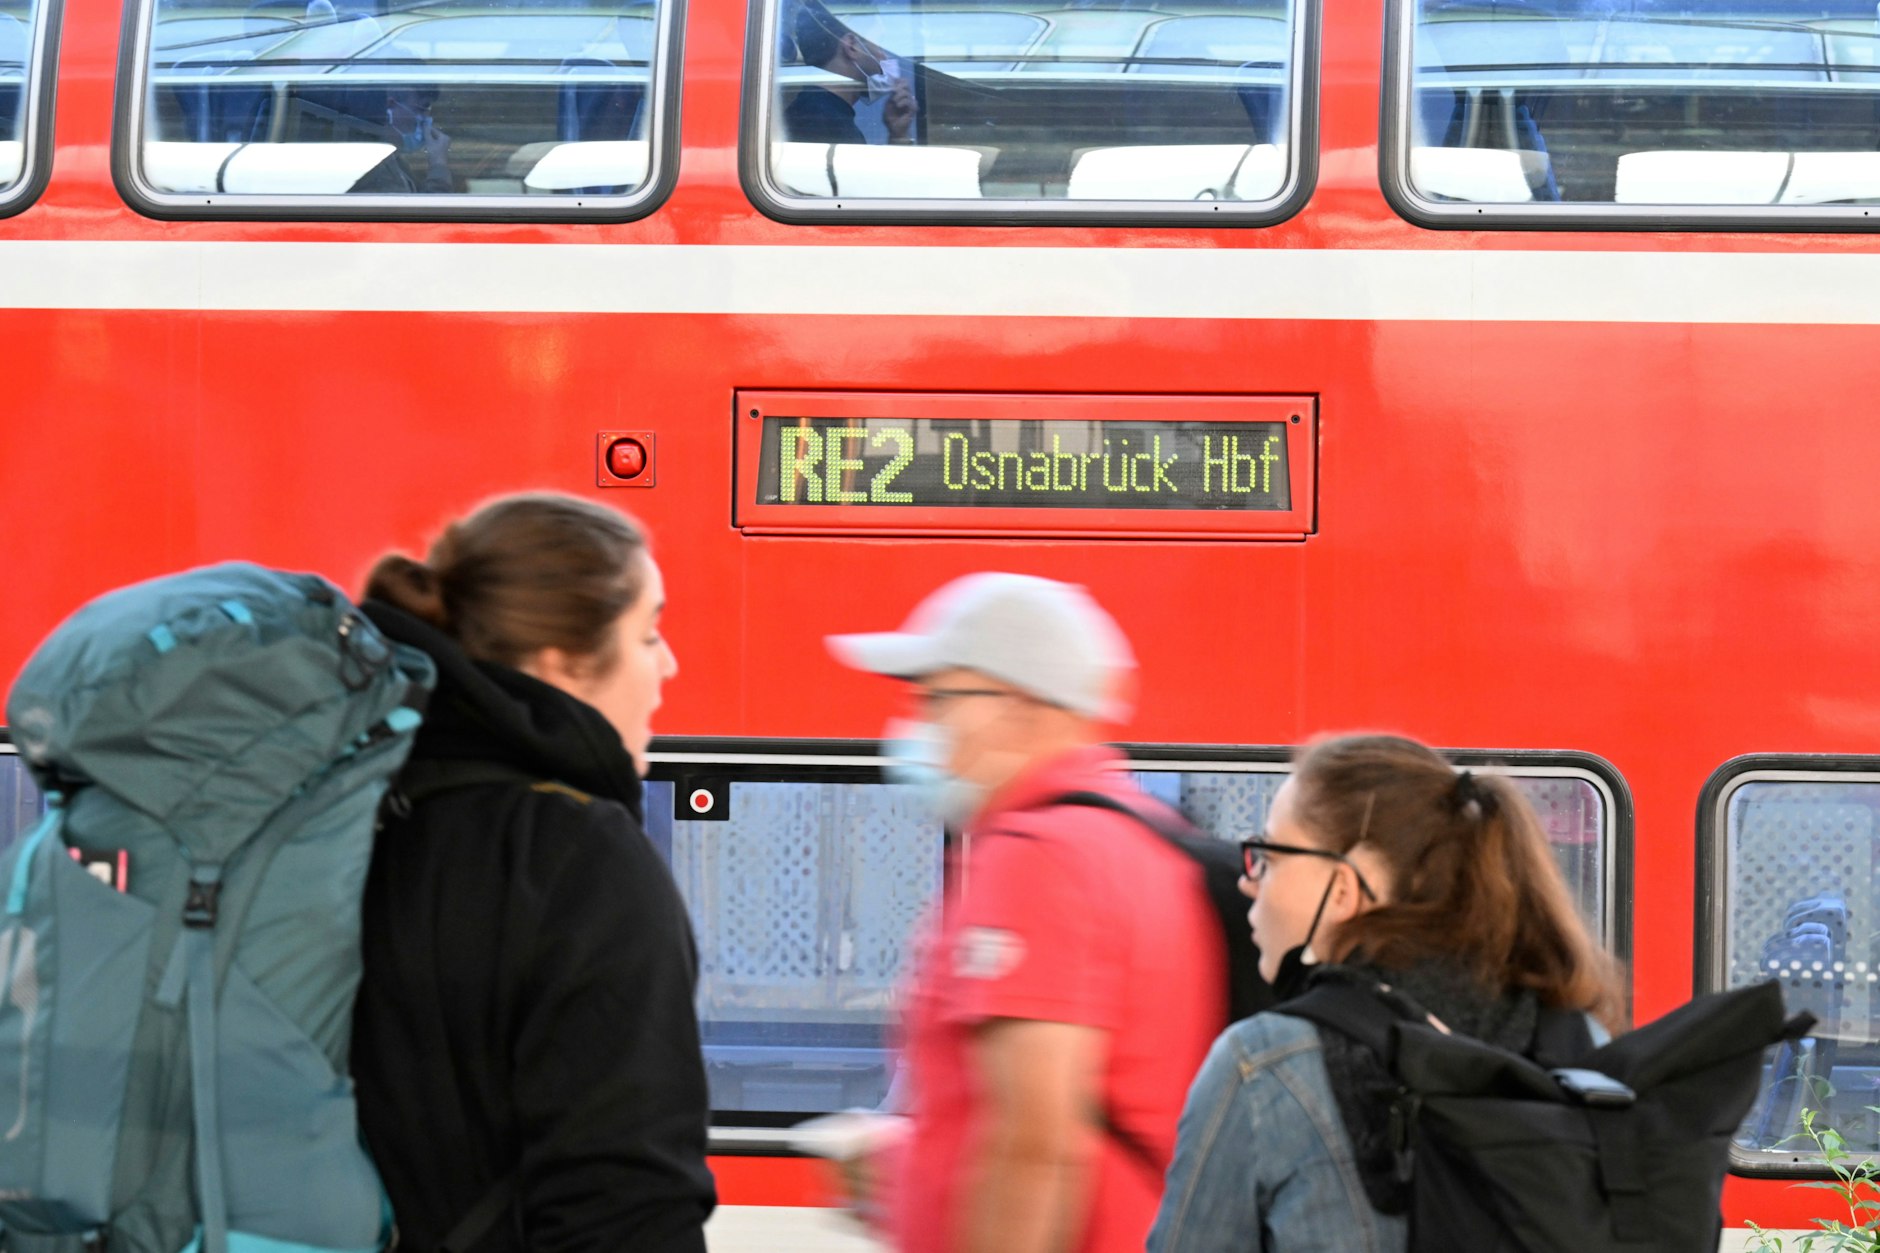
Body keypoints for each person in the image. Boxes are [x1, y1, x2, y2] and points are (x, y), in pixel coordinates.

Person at [350, 493, 715, 1253]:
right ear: (563, 666)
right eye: (647, 634)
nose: (669, 663)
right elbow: (628, 1202)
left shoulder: (354, 820)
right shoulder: (579, 857)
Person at [825, 572, 1224, 1253]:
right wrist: (912, 1160)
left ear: (1015, 704)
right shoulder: (1136, 834)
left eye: (938, 697)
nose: (921, 723)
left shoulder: (1039, 857)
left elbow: (1036, 1143)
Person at [1147, 733, 1625, 1253]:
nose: (1248, 882)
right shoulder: (1576, 1039)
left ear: (1343, 891)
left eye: (1269, 856)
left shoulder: (1264, 1063)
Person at [782, 0, 916, 145]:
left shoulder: (815, 112)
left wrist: (898, 134)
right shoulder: (826, 124)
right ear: (852, 47)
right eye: (880, 43)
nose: (884, 56)